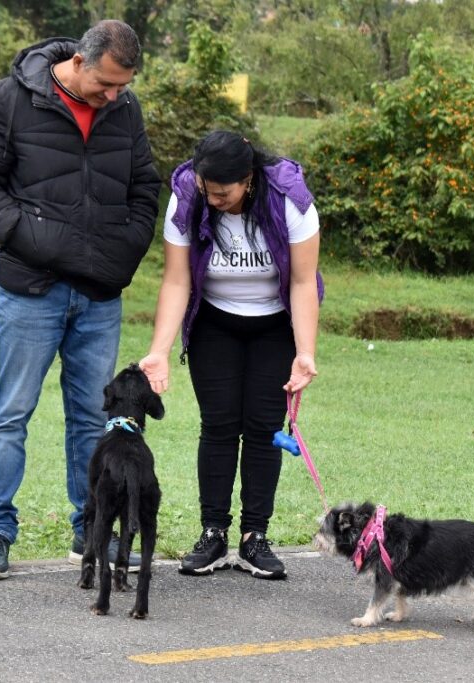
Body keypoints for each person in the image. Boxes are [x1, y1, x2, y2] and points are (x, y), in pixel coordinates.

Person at [0, 20, 161, 579]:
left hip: (99, 295)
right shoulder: (10, 100)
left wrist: (125, 249)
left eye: (124, 87)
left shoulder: (126, 109)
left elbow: (145, 187)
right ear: (79, 62)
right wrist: (33, 237)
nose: (116, 97)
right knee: (10, 415)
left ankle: (88, 528)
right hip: (30, 290)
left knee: (94, 421)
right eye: (107, 85)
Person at [139, 130, 322, 580]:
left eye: (223, 192)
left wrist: (305, 352)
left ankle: (255, 538)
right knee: (218, 426)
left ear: (249, 180)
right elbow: (177, 280)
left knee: (263, 428)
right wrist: (159, 351)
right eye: (208, 189)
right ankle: (213, 534)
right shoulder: (188, 194)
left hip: (275, 325)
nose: (213, 198)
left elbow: (302, 281)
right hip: (214, 323)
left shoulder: (289, 199)